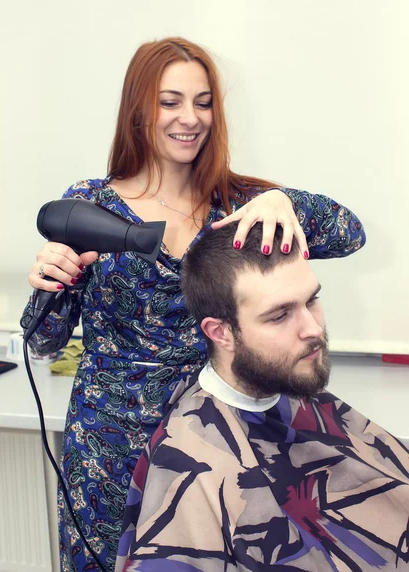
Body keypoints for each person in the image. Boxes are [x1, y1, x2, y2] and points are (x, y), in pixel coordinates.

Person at [21, 37, 366, 572]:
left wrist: (284, 201)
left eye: (203, 102)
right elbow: (43, 343)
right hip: (112, 446)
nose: (190, 118)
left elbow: (350, 234)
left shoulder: (239, 208)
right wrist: (51, 282)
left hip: (218, 440)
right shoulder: (89, 202)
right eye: (170, 101)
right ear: (140, 110)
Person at [117, 222, 409, 572]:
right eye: (280, 315)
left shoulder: (293, 390)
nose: (313, 329)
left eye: (312, 300)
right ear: (221, 332)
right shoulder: (189, 460)